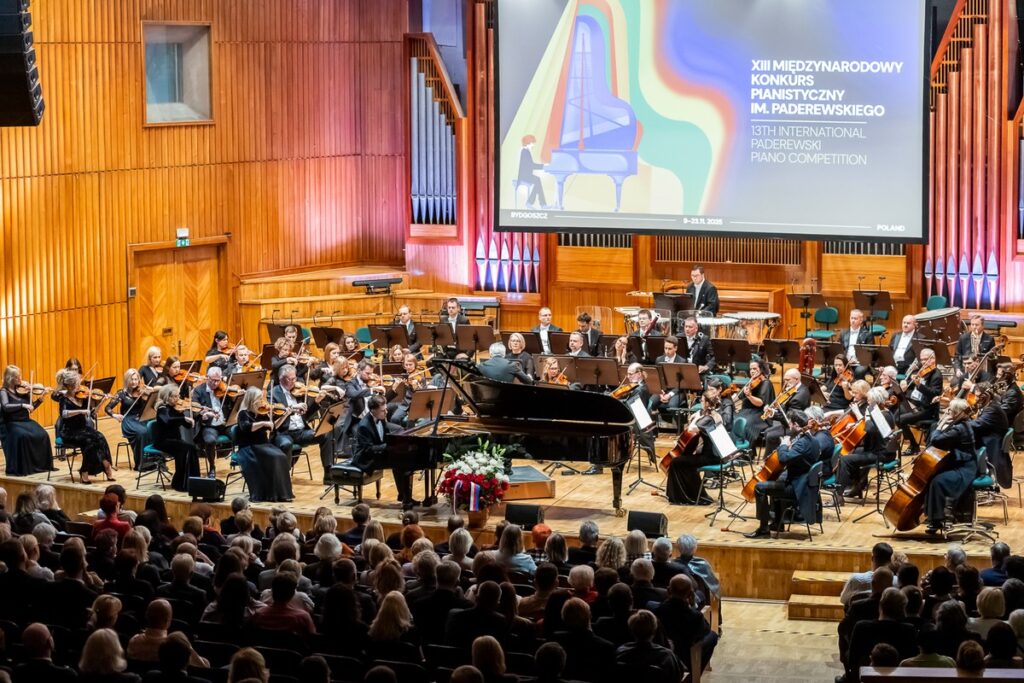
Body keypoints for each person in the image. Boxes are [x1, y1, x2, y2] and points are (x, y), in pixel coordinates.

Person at [745, 409, 820, 538]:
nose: (789, 426)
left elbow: (784, 458)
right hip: (803, 482)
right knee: (777, 481)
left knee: (759, 487)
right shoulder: (812, 440)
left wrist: (784, 445)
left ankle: (763, 529)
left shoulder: (802, 443)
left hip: (797, 488)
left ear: (796, 425)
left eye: (790, 423)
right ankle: (777, 523)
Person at [665, 388, 731, 505]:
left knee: (676, 462)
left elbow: (692, 428)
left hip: (711, 456)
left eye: (702, 400)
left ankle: (686, 497)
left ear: (706, 403)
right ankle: (691, 493)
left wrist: (696, 417)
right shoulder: (715, 415)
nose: (701, 402)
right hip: (715, 453)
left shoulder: (707, 419)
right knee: (684, 461)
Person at [349, 395, 415, 508]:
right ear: (373, 410)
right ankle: (405, 499)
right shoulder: (364, 426)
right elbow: (368, 450)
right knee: (400, 463)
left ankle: (405, 496)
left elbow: (386, 437)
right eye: (383, 410)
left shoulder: (381, 419)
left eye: (386, 409)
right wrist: (388, 447)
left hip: (378, 453)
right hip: (366, 459)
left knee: (404, 460)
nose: (386, 412)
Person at [923, 399, 978, 534]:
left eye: (950, 410)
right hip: (959, 463)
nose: (947, 412)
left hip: (965, 468)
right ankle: (933, 517)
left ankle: (937, 519)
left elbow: (935, 440)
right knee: (932, 477)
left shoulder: (959, 429)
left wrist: (940, 425)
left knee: (938, 481)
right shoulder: (962, 424)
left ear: (956, 413)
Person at [835, 386, 897, 500]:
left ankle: (838, 496)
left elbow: (870, 429)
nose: (867, 402)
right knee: (852, 452)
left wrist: (867, 416)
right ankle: (857, 486)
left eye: (869, 400)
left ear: (875, 401)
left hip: (881, 454)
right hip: (879, 449)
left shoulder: (883, 415)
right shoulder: (883, 412)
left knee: (845, 460)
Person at [234, 387, 293, 503]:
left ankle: (281, 493)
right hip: (250, 447)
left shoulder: (262, 413)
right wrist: (263, 423)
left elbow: (273, 427)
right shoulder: (243, 413)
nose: (262, 402)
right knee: (275, 457)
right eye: (259, 399)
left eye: (262, 399)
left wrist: (284, 415)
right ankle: (271, 494)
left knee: (281, 456)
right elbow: (246, 427)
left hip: (263, 445)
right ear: (251, 400)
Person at [56, 369, 114, 484]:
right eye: (77, 383)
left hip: (83, 429)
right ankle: (85, 471)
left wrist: (102, 402)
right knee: (89, 442)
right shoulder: (63, 399)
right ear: (70, 386)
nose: (80, 385)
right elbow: (64, 414)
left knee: (100, 436)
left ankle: (106, 464)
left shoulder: (83, 397)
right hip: (69, 432)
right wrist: (81, 411)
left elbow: (92, 413)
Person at [654, 574, 718, 672]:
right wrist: (692, 606)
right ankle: (694, 674)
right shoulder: (695, 616)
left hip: (663, 654)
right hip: (685, 657)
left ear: (668, 590)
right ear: (690, 594)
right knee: (713, 636)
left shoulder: (657, 610)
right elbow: (705, 631)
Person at [0, 365, 52, 476]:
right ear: (10, 378)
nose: (21, 379)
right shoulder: (3, 391)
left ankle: (39, 466)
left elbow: (31, 407)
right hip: (11, 423)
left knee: (43, 434)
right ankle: (25, 467)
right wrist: (22, 405)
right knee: (22, 436)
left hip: (25, 421)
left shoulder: (23, 390)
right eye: (17, 377)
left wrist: (41, 397)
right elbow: (5, 406)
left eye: (20, 376)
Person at [151, 384, 198, 491]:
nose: (178, 399)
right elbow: (167, 421)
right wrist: (182, 418)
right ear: (168, 397)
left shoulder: (174, 408)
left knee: (191, 448)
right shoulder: (162, 409)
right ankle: (181, 482)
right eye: (175, 396)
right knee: (187, 448)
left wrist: (190, 419)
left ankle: (189, 481)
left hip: (174, 440)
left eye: (178, 396)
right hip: (163, 441)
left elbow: (185, 424)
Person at [897, 348, 944, 454]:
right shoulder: (921, 371)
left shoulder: (937, 375)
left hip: (928, 410)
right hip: (915, 404)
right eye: (921, 359)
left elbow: (934, 394)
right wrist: (905, 383)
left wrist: (919, 385)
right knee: (897, 414)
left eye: (925, 359)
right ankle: (913, 444)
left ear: (933, 359)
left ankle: (914, 446)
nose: (923, 362)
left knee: (901, 419)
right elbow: (910, 385)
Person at [190, 367, 235, 477]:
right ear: (207, 378)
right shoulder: (198, 391)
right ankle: (212, 467)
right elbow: (194, 410)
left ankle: (240, 460)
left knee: (239, 433)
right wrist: (203, 414)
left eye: (218, 380)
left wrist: (237, 396)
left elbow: (232, 406)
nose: (215, 383)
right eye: (212, 380)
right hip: (209, 425)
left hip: (225, 423)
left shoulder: (224, 389)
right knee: (209, 441)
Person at [105, 368, 153, 471]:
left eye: (136, 379)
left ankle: (152, 461)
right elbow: (107, 408)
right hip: (128, 421)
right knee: (142, 432)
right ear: (127, 380)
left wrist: (148, 394)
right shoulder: (121, 394)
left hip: (140, 418)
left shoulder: (141, 392)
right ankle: (141, 464)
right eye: (132, 379)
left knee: (151, 429)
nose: (134, 382)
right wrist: (115, 415)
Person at [615, 609, 684, 680]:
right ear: (654, 629)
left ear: (632, 630)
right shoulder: (666, 656)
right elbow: (678, 677)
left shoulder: (620, 652)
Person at [969, 382, 1011, 488]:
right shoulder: (991, 405)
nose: (976, 399)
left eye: (978, 396)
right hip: (991, 437)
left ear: (986, 396)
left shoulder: (992, 409)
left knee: (963, 444)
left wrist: (961, 423)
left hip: (990, 441)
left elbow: (978, 424)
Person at [737, 360, 775, 444]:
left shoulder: (766, 383)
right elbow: (740, 396)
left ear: (761, 369)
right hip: (748, 411)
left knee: (745, 424)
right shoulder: (752, 381)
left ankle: (746, 449)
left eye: (755, 368)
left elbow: (760, 403)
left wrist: (749, 396)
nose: (752, 371)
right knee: (736, 420)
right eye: (751, 369)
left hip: (761, 414)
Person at [839, 309, 874, 379]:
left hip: (860, 362)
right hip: (846, 361)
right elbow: (839, 349)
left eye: (855, 318)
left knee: (859, 371)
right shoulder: (843, 333)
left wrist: (856, 359)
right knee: (836, 368)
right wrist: (845, 359)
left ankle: (856, 388)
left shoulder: (867, 334)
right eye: (851, 318)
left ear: (861, 320)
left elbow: (871, 352)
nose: (853, 320)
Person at [518, 134, 550, 209]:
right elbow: (531, 165)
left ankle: (538, 204)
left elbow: (530, 165)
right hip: (524, 176)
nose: (533, 145)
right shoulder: (525, 152)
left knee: (537, 181)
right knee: (537, 180)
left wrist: (543, 166)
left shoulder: (526, 151)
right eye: (532, 143)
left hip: (526, 175)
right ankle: (540, 204)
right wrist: (543, 166)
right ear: (528, 143)